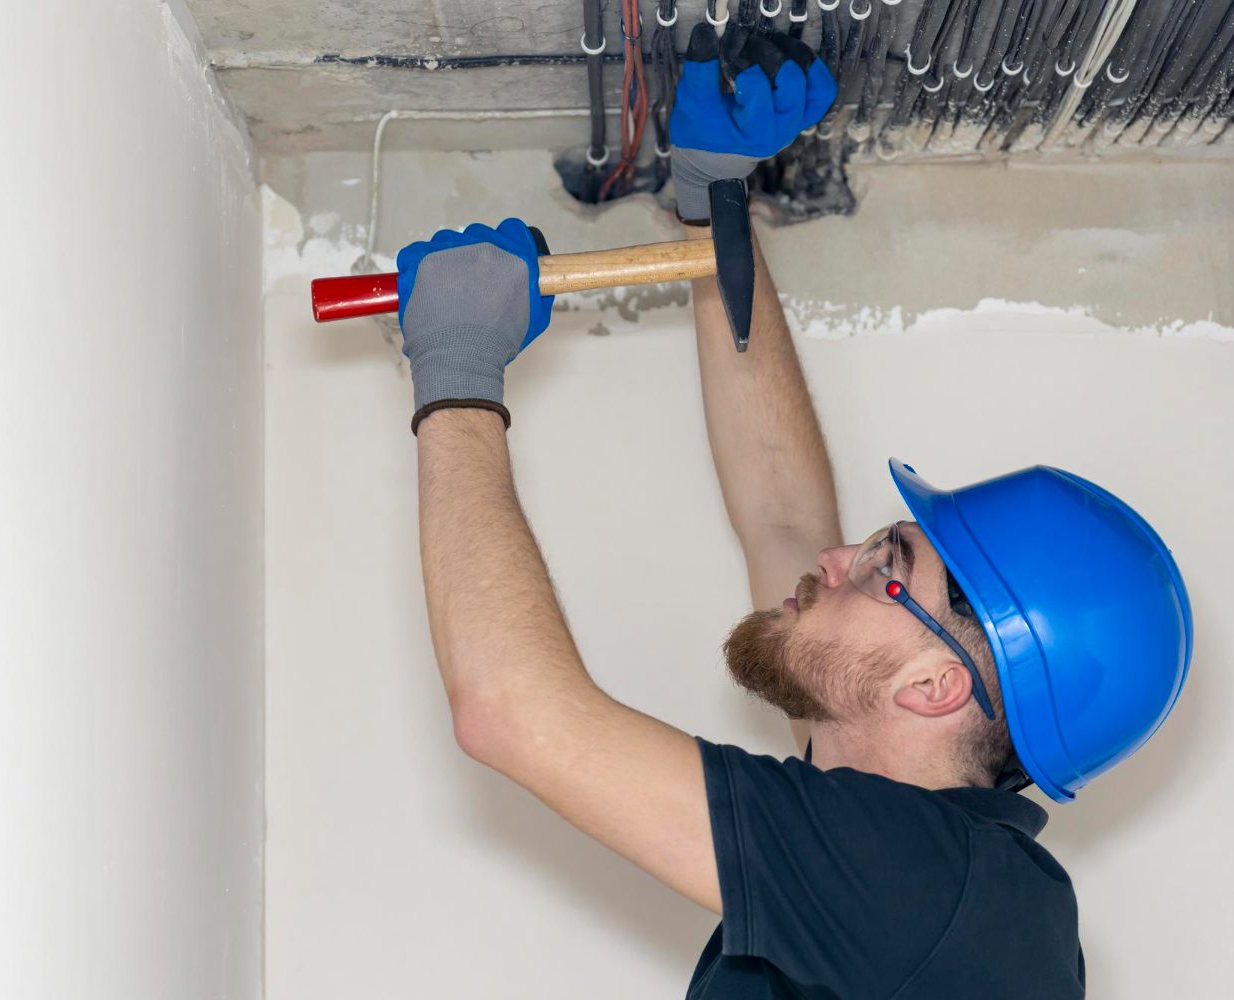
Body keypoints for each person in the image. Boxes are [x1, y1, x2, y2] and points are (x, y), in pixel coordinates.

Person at [394, 24, 1192, 1000]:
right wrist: (714, 210)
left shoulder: (931, 890)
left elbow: (513, 713)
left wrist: (457, 375)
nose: (834, 553)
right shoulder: (937, 884)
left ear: (937, 687)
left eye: (883, 563)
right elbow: (780, 509)